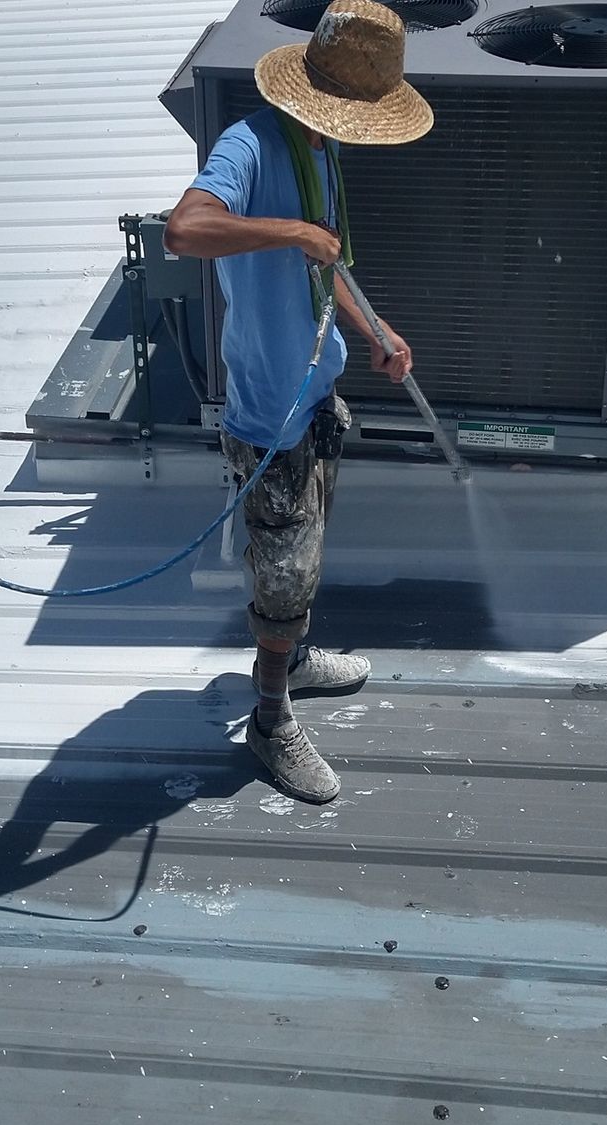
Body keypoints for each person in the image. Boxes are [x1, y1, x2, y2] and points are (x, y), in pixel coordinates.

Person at [164, 0, 433, 804]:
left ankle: (298, 655)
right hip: (265, 419)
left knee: (305, 559)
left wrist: (378, 330)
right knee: (281, 574)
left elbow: (329, 271)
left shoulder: (322, 152)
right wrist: (288, 231)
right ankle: (271, 720)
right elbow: (184, 229)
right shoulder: (248, 145)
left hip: (317, 394)